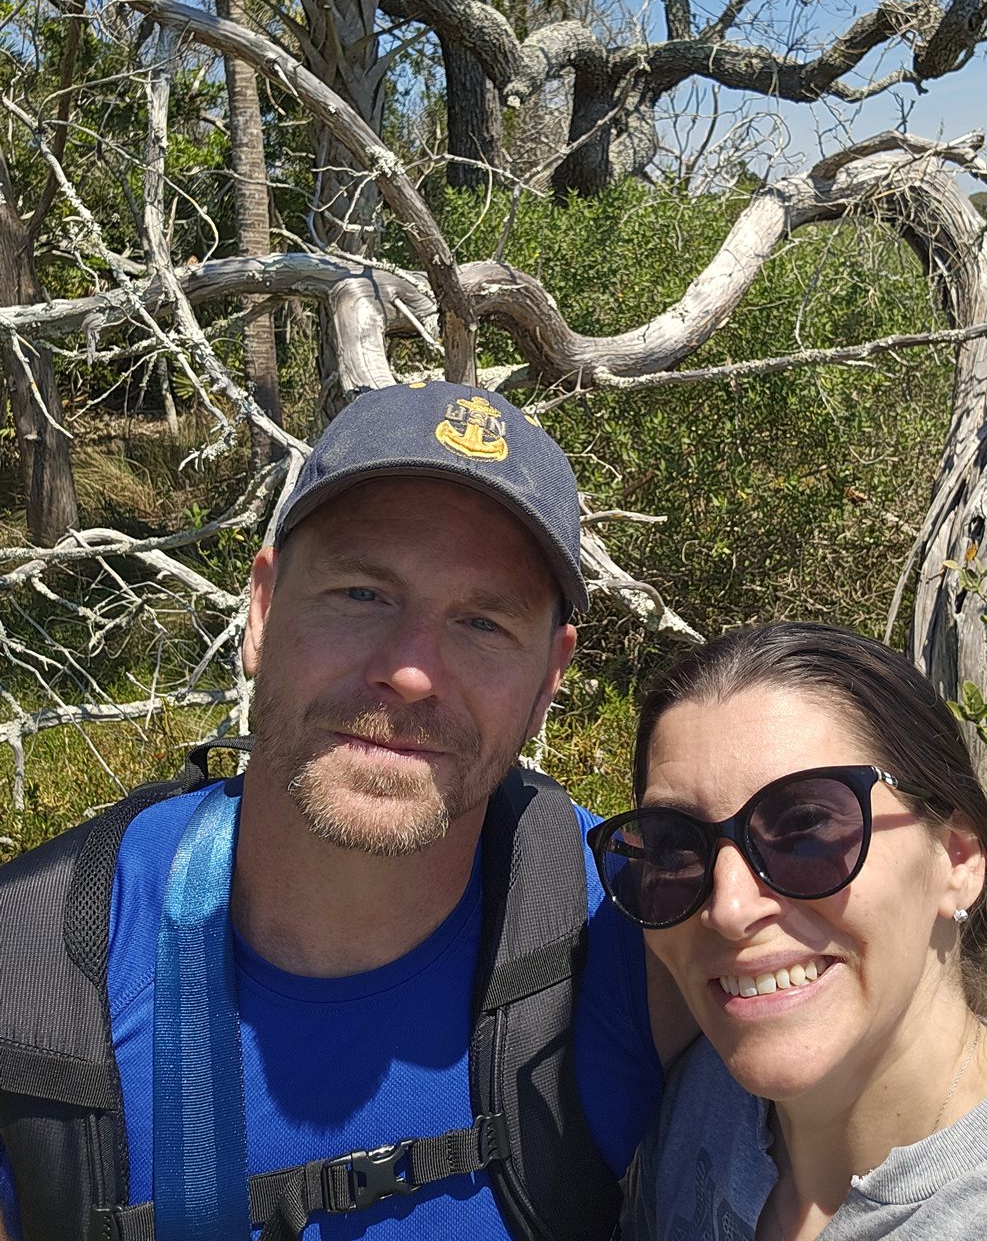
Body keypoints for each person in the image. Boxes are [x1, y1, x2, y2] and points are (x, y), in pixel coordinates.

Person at [0, 380, 692, 1241]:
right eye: (363, 593)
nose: (409, 670)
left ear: (549, 681)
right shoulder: (32, 966)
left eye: (482, 623)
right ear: (260, 610)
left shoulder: (650, 936)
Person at [587, 622, 987, 1239]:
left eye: (806, 829)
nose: (729, 907)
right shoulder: (700, 1097)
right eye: (673, 848)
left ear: (957, 860)